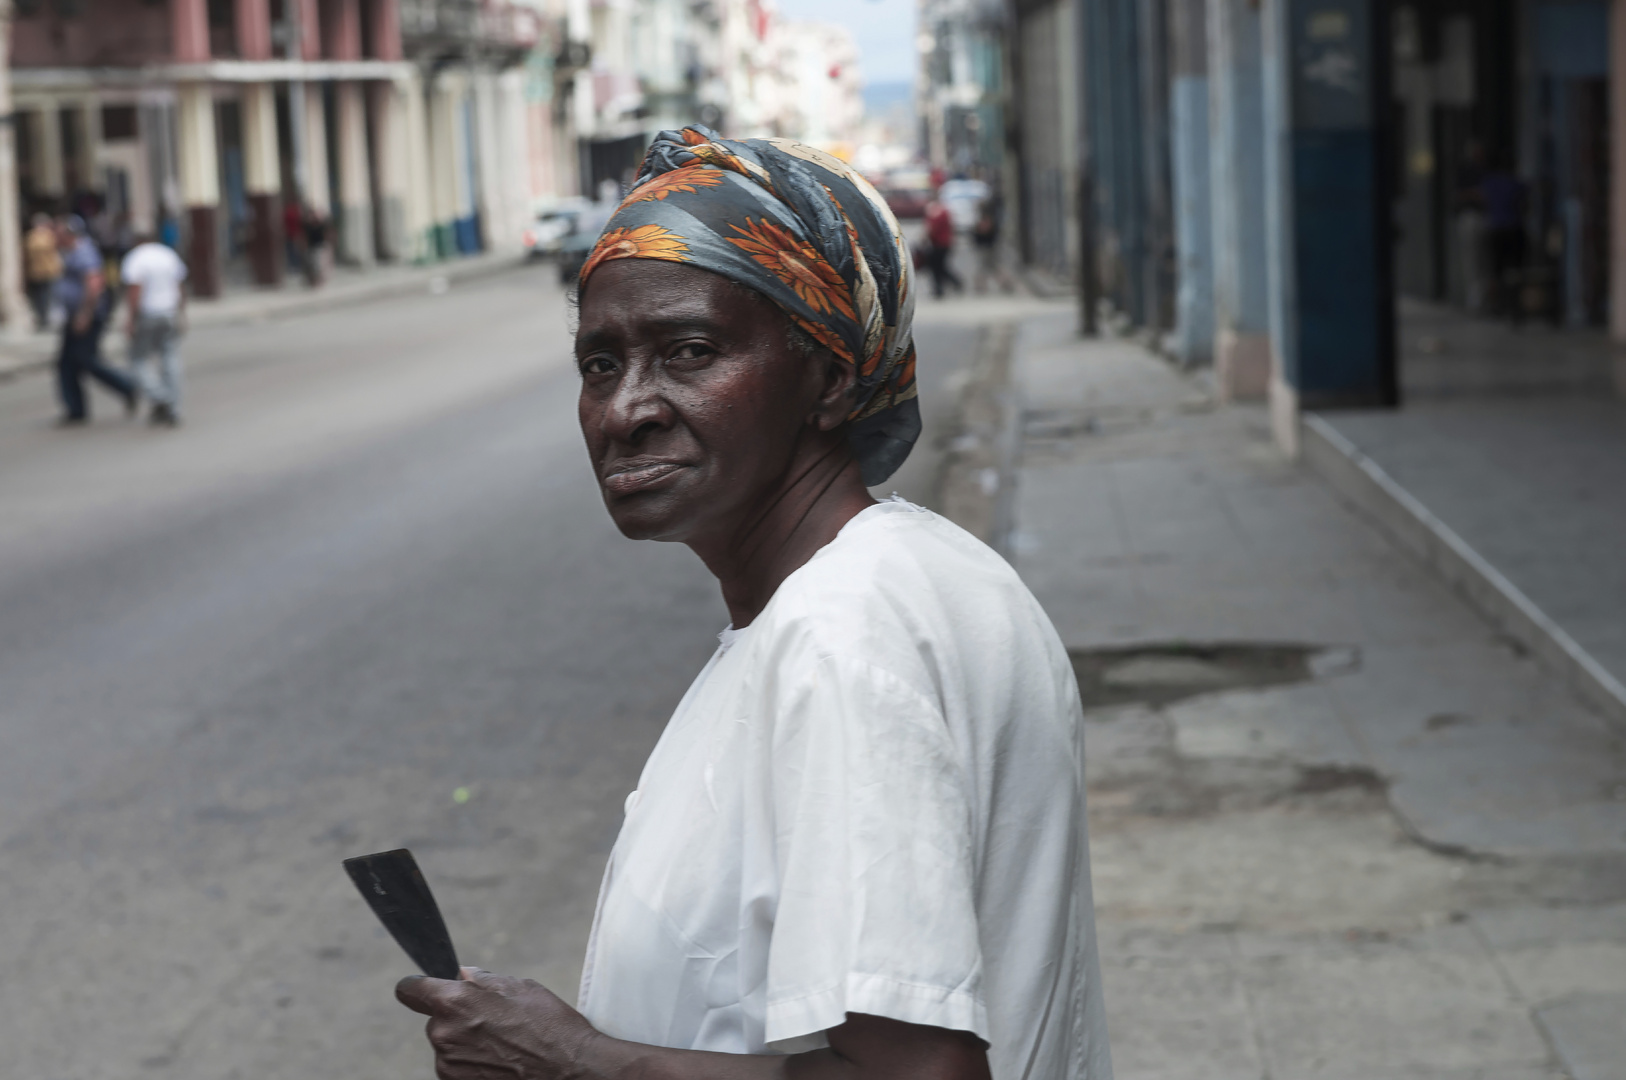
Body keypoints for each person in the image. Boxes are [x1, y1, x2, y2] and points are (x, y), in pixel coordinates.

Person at [394, 127, 1112, 1080]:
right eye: (600, 363)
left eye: (690, 351)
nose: (626, 409)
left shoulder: (841, 634)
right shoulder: (919, 574)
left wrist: (569, 1059)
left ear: (828, 377)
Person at [52, 214, 138, 426]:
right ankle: (76, 409)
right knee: (67, 364)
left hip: (87, 316)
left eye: (59, 232)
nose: (55, 236)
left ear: (68, 235)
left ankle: (126, 387)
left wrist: (85, 315)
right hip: (76, 315)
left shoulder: (83, 252)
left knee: (87, 360)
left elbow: (94, 285)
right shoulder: (71, 252)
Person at [121, 233, 189, 426]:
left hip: (148, 314)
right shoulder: (167, 255)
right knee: (170, 357)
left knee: (138, 359)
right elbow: (179, 285)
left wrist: (130, 318)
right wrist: (182, 313)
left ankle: (162, 397)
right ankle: (173, 405)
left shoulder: (135, 258)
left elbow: (135, 290)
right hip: (168, 311)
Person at [23, 212, 62, 332]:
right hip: (36, 271)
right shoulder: (31, 237)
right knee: (39, 297)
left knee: (47, 296)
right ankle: (42, 318)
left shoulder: (49, 235)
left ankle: (45, 319)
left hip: (48, 270)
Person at [923, 187, 963, 299]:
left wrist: (925, 238)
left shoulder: (936, 211)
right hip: (943, 242)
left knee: (938, 266)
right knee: (938, 266)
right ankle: (942, 287)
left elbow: (932, 228)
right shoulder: (944, 210)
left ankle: (948, 285)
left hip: (939, 243)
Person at [971, 194, 1014, 295]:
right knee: (990, 266)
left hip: (987, 246)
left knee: (987, 266)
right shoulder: (987, 219)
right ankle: (1003, 283)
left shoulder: (986, 220)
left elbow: (983, 232)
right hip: (987, 245)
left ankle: (982, 285)